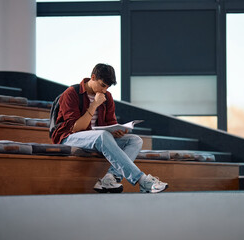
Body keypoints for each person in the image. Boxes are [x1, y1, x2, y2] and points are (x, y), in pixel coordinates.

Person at [51, 63, 168, 193]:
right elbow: (76, 128)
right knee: (102, 135)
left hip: (97, 138)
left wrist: (117, 131)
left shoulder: (108, 97)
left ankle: (110, 178)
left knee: (135, 140)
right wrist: (94, 104)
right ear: (93, 77)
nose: (104, 90)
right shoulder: (71, 93)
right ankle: (142, 180)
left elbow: (110, 123)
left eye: (107, 87)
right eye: (102, 85)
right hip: (69, 137)